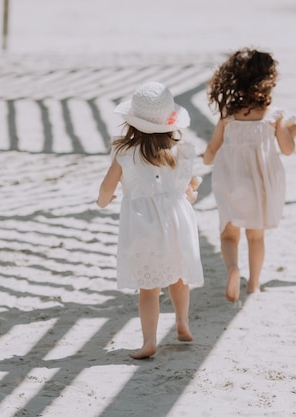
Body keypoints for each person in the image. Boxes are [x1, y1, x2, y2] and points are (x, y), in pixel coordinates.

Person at [97, 81, 204, 359]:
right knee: (178, 277)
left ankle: (148, 341)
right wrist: (191, 193)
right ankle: (182, 322)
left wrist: (103, 201)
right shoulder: (181, 151)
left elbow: (107, 187)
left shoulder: (125, 153)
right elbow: (187, 190)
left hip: (143, 226)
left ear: (132, 122)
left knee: (149, 289)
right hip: (176, 223)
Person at [201, 48, 296, 303]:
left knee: (228, 234)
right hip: (260, 185)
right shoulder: (274, 115)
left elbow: (212, 149)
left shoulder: (229, 115)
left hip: (231, 181)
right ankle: (253, 285)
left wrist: (205, 159)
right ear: (269, 81)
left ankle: (233, 268)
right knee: (255, 236)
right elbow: (287, 150)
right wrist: (289, 130)